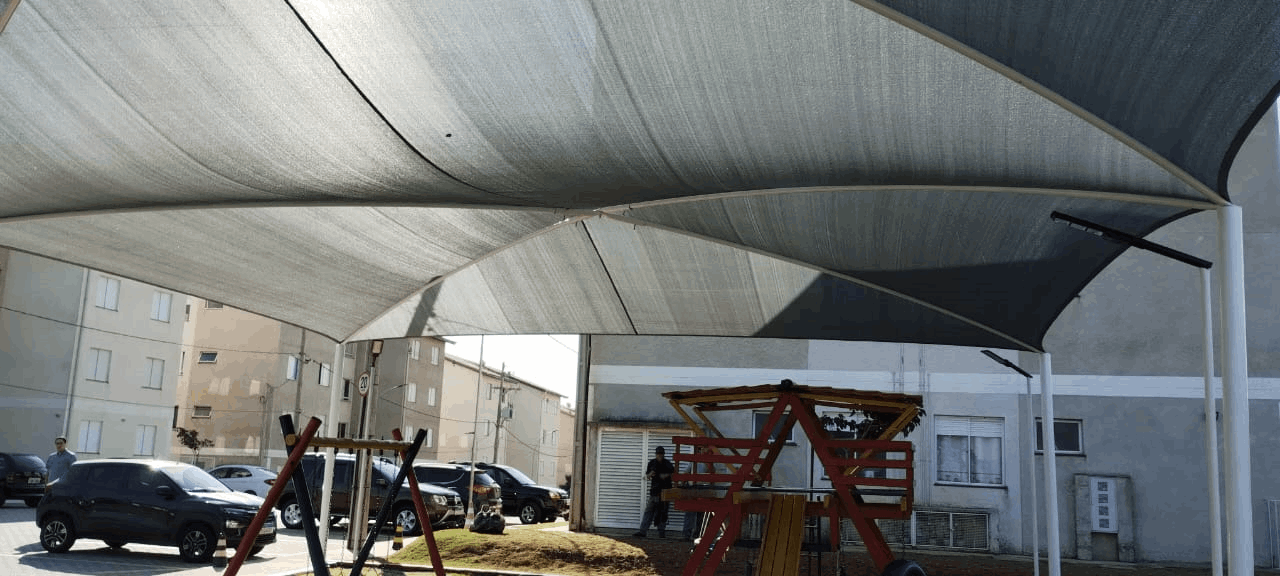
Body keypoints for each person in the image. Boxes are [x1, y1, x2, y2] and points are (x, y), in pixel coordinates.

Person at [632, 445, 674, 538]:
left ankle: (661, 532)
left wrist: (665, 476)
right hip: (655, 491)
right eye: (658, 454)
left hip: (665, 492)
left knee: (663, 513)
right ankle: (643, 531)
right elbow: (647, 476)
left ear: (663, 454)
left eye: (661, 454)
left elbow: (673, 474)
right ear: (656, 454)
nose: (660, 455)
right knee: (649, 512)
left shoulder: (667, 464)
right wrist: (650, 474)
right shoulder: (652, 463)